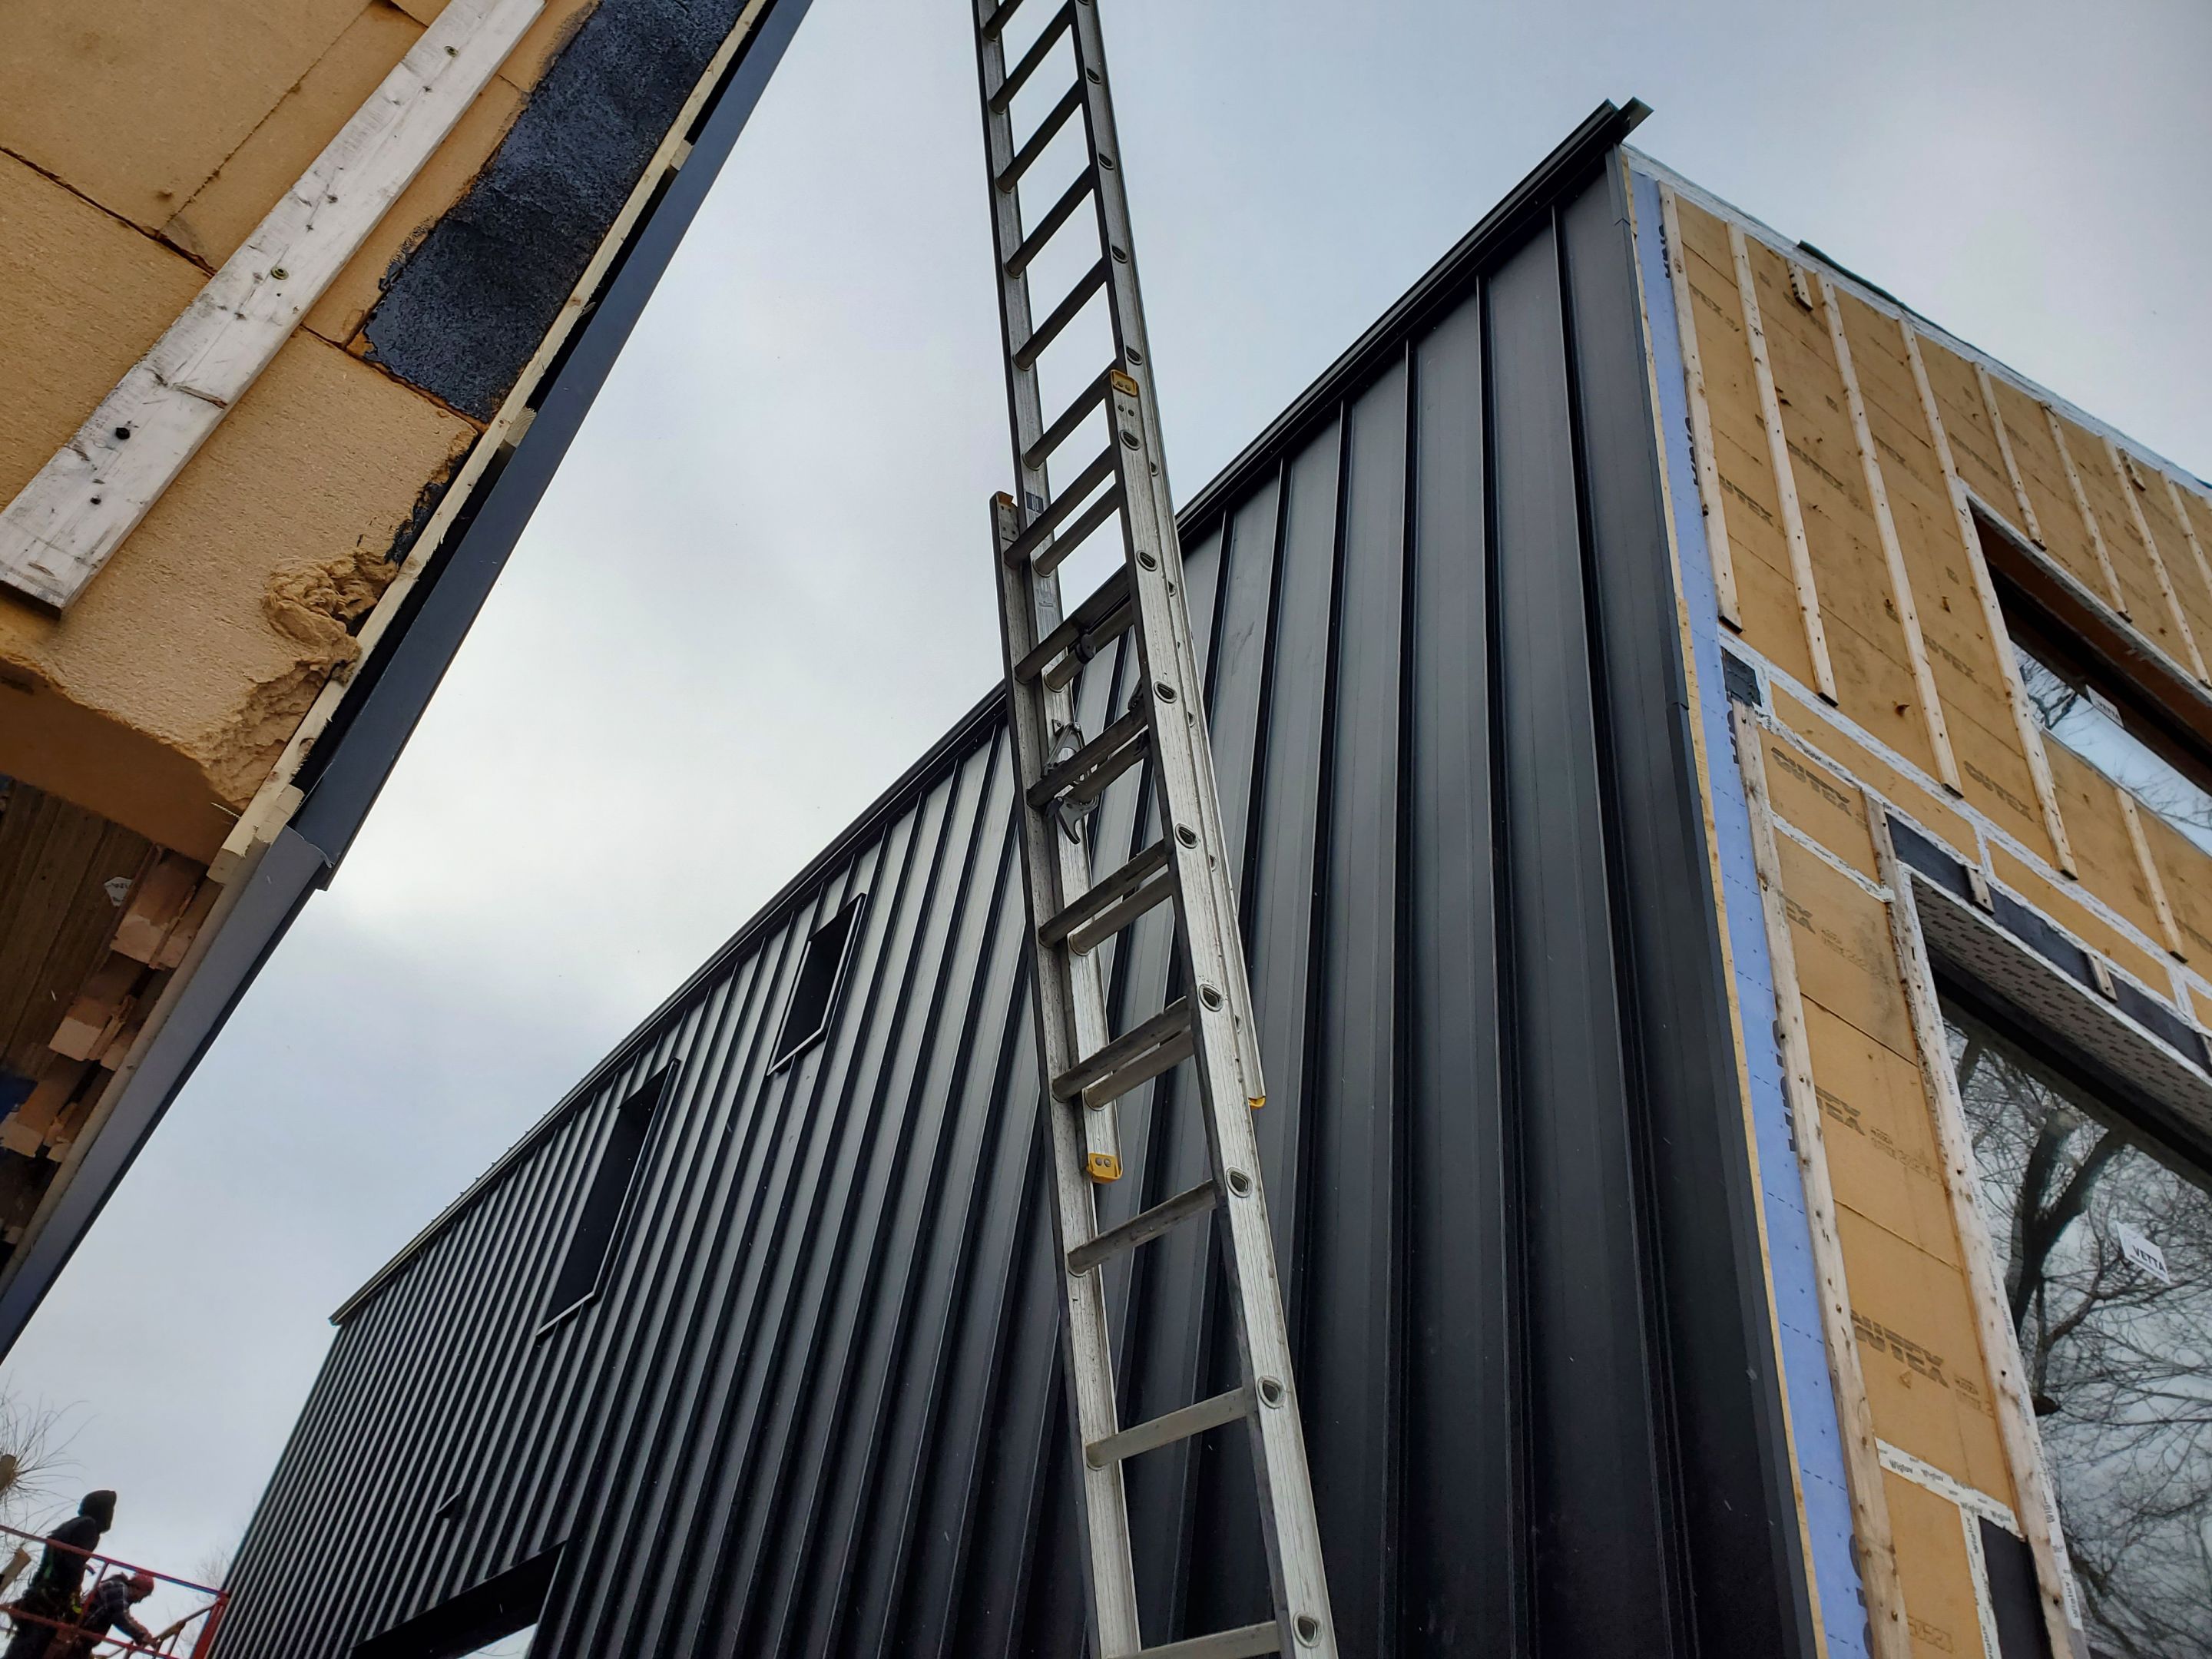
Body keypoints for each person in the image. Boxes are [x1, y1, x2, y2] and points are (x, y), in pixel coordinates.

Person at [2, 1493, 115, 1659]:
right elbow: (72, 1563)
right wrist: (71, 1593)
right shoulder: (88, 1526)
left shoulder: (73, 1524)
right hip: (52, 1595)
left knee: (25, 1643)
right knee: (32, 1646)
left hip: (43, 1590)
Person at [55, 1571, 155, 1656]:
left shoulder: (119, 1589)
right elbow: (121, 1617)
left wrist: (142, 1632)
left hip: (82, 1635)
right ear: (138, 1588)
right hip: (77, 1631)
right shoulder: (118, 1588)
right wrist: (142, 1635)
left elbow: (123, 1615)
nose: (140, 1600)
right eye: (143, 1596)